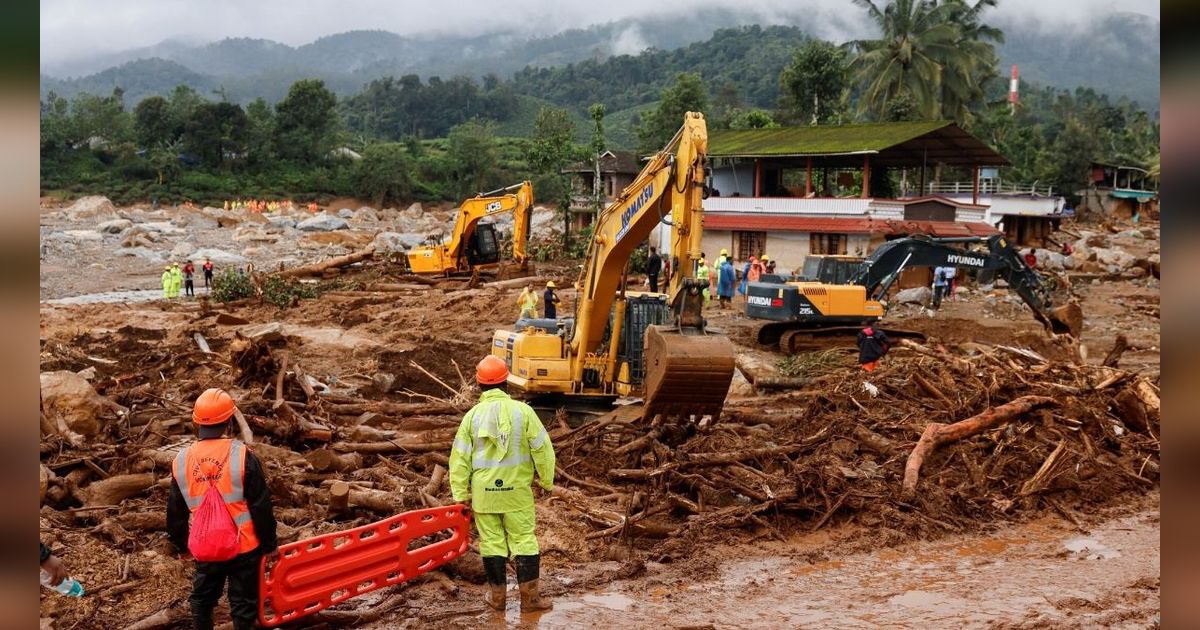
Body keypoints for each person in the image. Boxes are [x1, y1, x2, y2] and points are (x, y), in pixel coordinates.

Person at [450, 356, 555, 613]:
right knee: (524, 541)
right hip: (516, 494)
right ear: (506, 381)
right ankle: (530, 601)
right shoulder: (524, 412)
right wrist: (547, 481)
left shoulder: (471, 417)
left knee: (492, 543)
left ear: (479, 384)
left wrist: (460, 494)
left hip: (485, 495)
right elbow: (543, 450)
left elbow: (459, 459)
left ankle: (497, 599)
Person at [168, 388, 277, 630]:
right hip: (245, 546)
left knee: (202, 599)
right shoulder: (242, 455)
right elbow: (261, 506)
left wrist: (182, 546)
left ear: (197, 423)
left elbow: (175, 511)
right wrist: (270, 545)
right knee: (243, 603)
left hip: (206, 546)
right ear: (229, 422)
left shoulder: (182, 460)